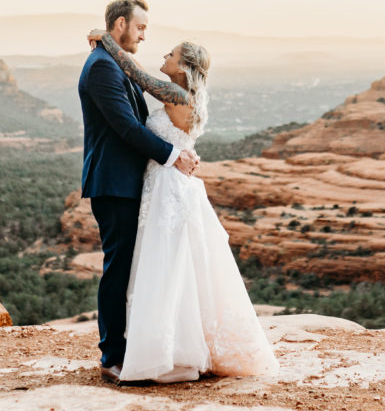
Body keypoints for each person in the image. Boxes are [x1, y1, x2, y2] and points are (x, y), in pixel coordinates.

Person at [86, 21, 278, 383]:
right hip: (164, 182)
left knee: (167, 268)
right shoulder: (179, 94)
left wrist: (106, 41)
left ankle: (168, 351)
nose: (164, 55)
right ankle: (168, 346)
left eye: (171, 54)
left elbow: (138, 76)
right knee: (171, 267)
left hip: (168, 188)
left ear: (185, 66)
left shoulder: (177, 95)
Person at [78, 0, 202, 383]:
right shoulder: (101, 68)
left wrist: (106, 42)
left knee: (136, 270)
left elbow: (142, 80)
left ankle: (141, 348)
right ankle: (112, 356)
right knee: (117, 270)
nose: (145, 36)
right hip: (114, 184)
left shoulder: (113, 61)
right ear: (120, 25)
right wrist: (173, 156)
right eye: (140, 28)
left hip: (135, 184)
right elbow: (127, 129)